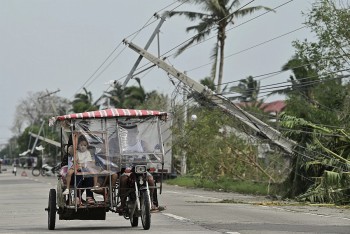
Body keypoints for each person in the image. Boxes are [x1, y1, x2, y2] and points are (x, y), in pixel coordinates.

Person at [118, 124, 159, 213]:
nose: (131, 134)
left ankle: (151, 201)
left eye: (133, 132)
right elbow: (117, 156)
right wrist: (119, 160)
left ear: (137, 133)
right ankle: (123, 203)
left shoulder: (142, 143)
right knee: (123, 178)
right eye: (130, 132)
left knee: (151, 179)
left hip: (142, 169)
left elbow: (151, 153)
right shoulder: (123, 145)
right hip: (128, 169)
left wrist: (155, 157)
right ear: (127, 133)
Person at [62, 135, 98, 205]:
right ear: (78, 145)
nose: (83, 146)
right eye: (81, 145)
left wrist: (86, 166)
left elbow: (89, 162)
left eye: (85, 145)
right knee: (76, 174)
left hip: (86, 168)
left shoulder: (88, 152)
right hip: (77, 168)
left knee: (91, 174)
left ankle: (90, 195)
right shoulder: (75, 152)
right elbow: (75, 162)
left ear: (87, 145)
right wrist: (77, 166)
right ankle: (75, 195)